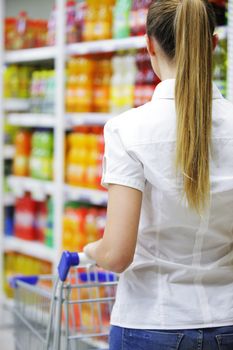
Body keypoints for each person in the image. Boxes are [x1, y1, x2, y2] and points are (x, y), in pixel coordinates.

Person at [84, 0, 233, 349]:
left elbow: (117, 255)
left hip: (151, 321)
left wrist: (93, 250)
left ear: (149, 45)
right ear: (212, 44)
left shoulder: (127, 130)